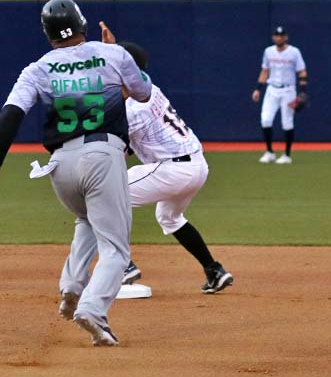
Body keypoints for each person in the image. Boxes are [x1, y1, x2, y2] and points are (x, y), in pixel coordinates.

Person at [0, 0, 152, 347]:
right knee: (115, 250)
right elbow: (143, 92)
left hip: (60, 164)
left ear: (48, 33)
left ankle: (72, 287)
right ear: (81, 22)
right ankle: (92, 310)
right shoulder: (113, 54)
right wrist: (117, 54)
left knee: (87, 220)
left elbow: (12, 112)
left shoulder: (38, 68)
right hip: (103, 154)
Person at [97, 23, 234, 294]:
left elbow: (119, 151)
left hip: (173, 170)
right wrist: (110, 50)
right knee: (169, 218)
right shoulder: (150, 89)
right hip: (197, 166)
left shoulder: (132, 109)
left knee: (103, 195)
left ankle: (123, 266)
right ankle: (214, 270)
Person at [251, 25, 307, 164]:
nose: (279, 38)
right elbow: (265, 71)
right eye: (276, 35)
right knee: (265, 119)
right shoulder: (268, 51)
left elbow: (302, 71)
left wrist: (303, 92)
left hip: (288, 90)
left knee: (287, 122)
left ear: (286, 37)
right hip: (272, 89)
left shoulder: (294, 52)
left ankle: (287, 155)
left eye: (281, 35)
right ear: (273, 37)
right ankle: (270, 152)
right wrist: (258, 89)